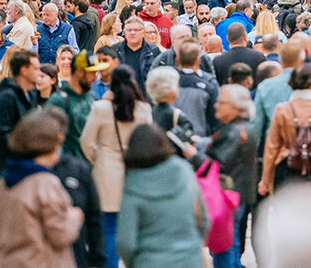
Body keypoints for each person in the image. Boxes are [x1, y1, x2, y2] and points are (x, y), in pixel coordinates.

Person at [80, 65, 153, 268]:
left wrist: (98, 156)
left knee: (109, 228)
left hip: (106, 171)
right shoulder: (144, 109)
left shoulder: (101, 109)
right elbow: (148, 142)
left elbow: (86, 141)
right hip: (136, 172)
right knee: (136, 227)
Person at [0, 109, 84, 268]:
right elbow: (60, 233)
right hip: (40, 261)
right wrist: (74, 217)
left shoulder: (5, 182)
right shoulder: (45, 183)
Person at [116, 124, 210, 268]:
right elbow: (204, 220)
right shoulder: (184, 170)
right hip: (190, 259)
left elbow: (125, 242)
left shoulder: (132, 184)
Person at [192, 84, 258, 268]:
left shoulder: (234, 132)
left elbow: (213, 164)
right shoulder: (243, 129)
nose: (216, 105)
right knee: (231, 242)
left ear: (235, 107)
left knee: (225, 245)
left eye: (221, 102)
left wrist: (193, 155)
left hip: (227, 195)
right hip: (238, 193)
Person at [259, 65, 311, 194]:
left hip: (287, 164)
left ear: (291, 85)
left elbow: (272, 147)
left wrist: (265, 180)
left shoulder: (282, 110)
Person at [46, 108, 106, 268]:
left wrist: (97, 260)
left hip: (75, 256)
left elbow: (94, 220)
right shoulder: (24, 173)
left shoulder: (78, 170)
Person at [252, 39, 311, 144]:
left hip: (278, 145)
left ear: (281, 61)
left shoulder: (265, 86)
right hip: (309, 145)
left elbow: (256, 125)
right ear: (302, 60)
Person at [46, 50, 108, 161]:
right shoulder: (59, 100)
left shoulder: (92, 99)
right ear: (79, 72)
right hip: (69, 166)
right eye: (92, 73)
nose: (94, 78)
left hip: (90, 165)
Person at [0, 50, 39, 176]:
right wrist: (24, 148)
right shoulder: (7, 97)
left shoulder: (32, 95)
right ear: (24, 70)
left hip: (29, 164)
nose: (39, 73)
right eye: (35, 69)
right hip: (11, 167)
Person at [110, 16, 160, 94]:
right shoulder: (115, 50)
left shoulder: (153, 50)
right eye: (129, 30)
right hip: (121, 96)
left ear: (143, 32)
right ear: (125, 32)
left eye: (136, 30)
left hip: (146, 96)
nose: (132, 33)